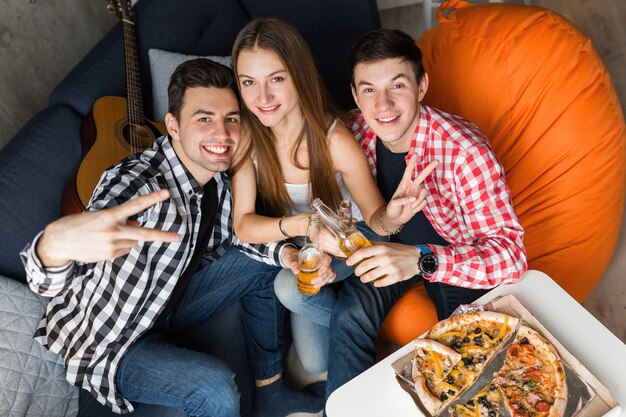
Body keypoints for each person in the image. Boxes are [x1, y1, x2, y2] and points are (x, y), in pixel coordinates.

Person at [20, 58, 324, 417]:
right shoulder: (137, 182)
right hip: (113, 341)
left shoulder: (219, 185)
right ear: (173, 126)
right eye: (204, 119)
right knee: (215, 390)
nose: (222, 134)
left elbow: (243, 238)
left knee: (265, 260)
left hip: (168, 305)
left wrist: (287, 254)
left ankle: (271, 392)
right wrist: (54, 245)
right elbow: (47, 277)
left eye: (231, 119)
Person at [284, 28, 528, 402]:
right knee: (349, 316)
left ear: (421, 85)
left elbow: (511, 257)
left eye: (397, 85)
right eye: (369, 89)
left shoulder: (465, 153)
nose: (382, 105)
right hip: (386, 239)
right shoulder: (353, 132)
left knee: (466, 370)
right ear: (355, 94)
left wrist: (423, 259)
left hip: (451, 253)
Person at [229, 17, 434, 373]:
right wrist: (307, 228)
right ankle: (351, 318)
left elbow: (378, 222)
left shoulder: (335, 141)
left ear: (299, 75)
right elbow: (244, 226)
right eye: (249, 82)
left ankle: (354, 322)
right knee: (313, 361)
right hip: (308, 242)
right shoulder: (248, 138)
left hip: (353, 237)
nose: (262, 98)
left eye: (276, 79)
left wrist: (395, 216)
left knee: (288, 289)